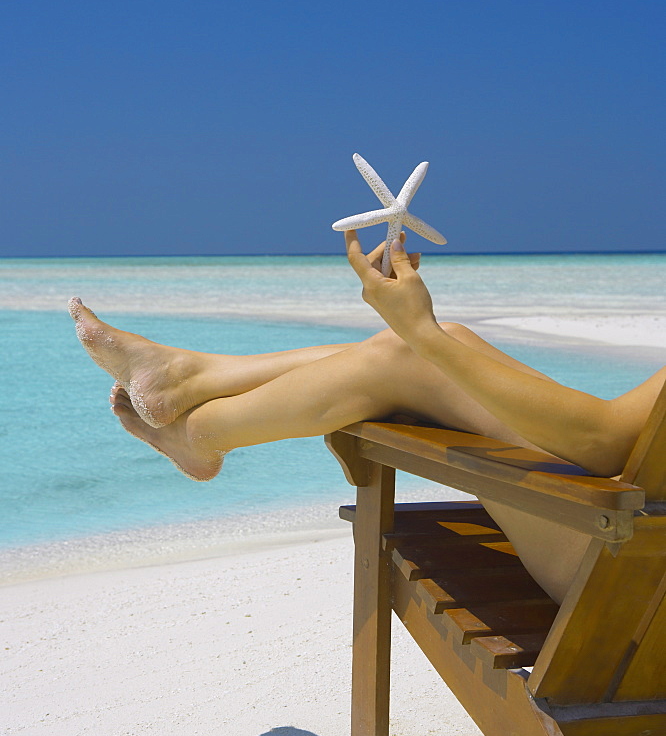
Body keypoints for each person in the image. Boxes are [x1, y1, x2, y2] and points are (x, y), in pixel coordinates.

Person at [69, 230, 665, 603]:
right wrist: (429, 337)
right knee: (431, 348)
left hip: (625, 585)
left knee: (416, 353)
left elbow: (601, 442)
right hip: (637, 561)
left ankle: (197, 426)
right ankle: (191, 387)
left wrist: (421, 332)